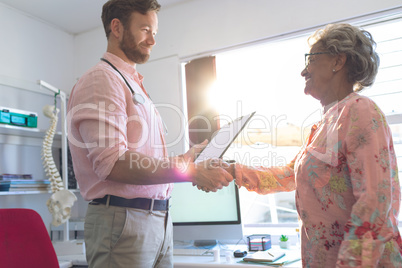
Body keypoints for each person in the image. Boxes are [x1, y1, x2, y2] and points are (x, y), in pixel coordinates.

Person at [67, 0, 233, 267]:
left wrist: (185, 159)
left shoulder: (132, 83)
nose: (152, 40)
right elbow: (113, 163)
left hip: (158, 221)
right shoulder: (101, 79)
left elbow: (142, 158)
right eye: (145, 29)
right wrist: (189, 172)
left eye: (154, 32)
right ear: (117, 28)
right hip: (123, 221)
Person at [224, 23, 402, 267]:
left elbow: (374, 202)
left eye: (311, 59)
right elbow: (288, 176)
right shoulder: (325, 124)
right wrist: (232, 170)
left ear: (338, 62)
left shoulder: (360, 110)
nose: (303, 71)